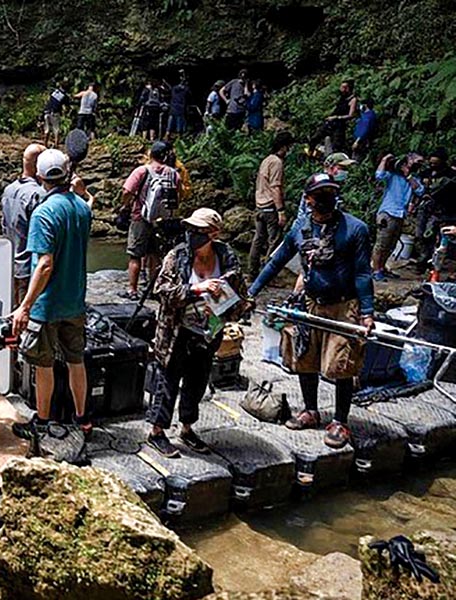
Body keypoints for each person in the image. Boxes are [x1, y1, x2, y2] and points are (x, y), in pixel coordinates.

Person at [248, 173, 374, 449]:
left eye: (330, 194)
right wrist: (251, 293)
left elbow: (364, 273)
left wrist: (367, 312)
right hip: (311, 301)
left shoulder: (355, 229)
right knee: (304, 356)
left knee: (341, 364)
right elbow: (275, 263)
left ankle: (340, 421)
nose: (326, 200)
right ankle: (310, 410)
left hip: (344, 304)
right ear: (308, 200)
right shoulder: (300, 229)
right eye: (320, 195)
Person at [146, 209, 248, 457]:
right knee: (167, 379)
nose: (192, 235)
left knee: (197, 379)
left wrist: (229, 303)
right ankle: (157, 432)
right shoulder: (177, 256)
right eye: (190, 229)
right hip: (176, 330)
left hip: (209, 331)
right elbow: (161, 291)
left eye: (199, 231)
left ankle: (187, 427)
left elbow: (241, 294)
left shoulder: (226, 257)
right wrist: (196, 289)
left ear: (213, 233)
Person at [10, 148, 93, 439]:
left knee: (43, 365)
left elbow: (44, 264)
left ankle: (42, 422)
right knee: (76, 361)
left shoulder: (43, 213)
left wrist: (25, 306)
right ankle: (82, 418)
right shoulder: (83, 208)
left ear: (39, 176)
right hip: (75, 302)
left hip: (47, 305)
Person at [121, 141, 182, 299]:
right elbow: (179, 195)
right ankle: (153, 289)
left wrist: (125, 206)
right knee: (155, 255)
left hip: (140, 217)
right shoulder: (174, 174)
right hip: (162, 221)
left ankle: (132, 290)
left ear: (151, 154)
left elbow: (127, 191)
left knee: (135, 255)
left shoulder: (142, 171)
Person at [1, 143, 47, 304]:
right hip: (29, 267)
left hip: (9, 263)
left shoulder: (8, 189)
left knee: (12, 311)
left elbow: (4, 226)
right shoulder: (38, 195)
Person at [371, 153, 425, 281]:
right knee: (382, 243)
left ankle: (382, 268)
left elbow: (420, 190)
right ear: (407, 160)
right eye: (417, 160)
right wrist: (384, 159)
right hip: (387, 212)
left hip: (401, 214)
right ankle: (376, 270)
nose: (420, 163)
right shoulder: (393, 175)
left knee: (391, 244)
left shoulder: (414, 178)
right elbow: (379, 176)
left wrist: (408, 175)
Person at [248, 132, 294, 280]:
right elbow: (275, 187)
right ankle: (267, 275)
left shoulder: (266, 160)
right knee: (274, 242)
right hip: (270, 207)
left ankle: (252, 272)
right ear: (284, 146)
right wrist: (281, 210)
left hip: (260, 206)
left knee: (258, 240)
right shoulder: (277, 163)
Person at [324, 80, 358, 153]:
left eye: (343, 87)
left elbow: (351, 115)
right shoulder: (342, 97)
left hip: (340, 125)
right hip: (331, 122)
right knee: (317, 137)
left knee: (337, 145)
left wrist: (337, 117)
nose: (341, 89)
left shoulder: (352, 100)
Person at [43, 80, 69, 147]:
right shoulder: (64, 96)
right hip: (54, 113)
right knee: (56, 129)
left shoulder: (55, 92)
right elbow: (67, 105)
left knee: (47, 129)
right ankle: (56, 144)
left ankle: (45, 144)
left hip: (47, 111)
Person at [166, 73, 190, 138]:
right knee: (179, 125)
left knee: (169, 125)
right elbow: (189, 97)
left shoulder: (174, 89)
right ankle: (179, 137)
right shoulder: (186, 90)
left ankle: (167, 136)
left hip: (173, 108)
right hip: (181, 109)